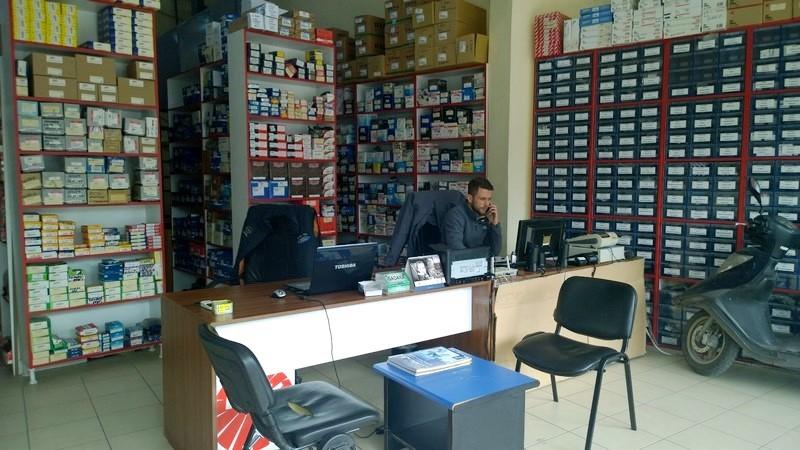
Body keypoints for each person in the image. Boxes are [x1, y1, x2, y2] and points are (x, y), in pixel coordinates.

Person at [442, 177, 502, 255]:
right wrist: (480, 258)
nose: (487, 204)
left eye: (489, 199)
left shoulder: (486, 215)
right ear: (470, 198)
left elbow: (495, 252)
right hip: (463, 261)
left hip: (481, 260)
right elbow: (458, 251)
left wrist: (494, 225)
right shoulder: (455, 216)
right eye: (482, 199)